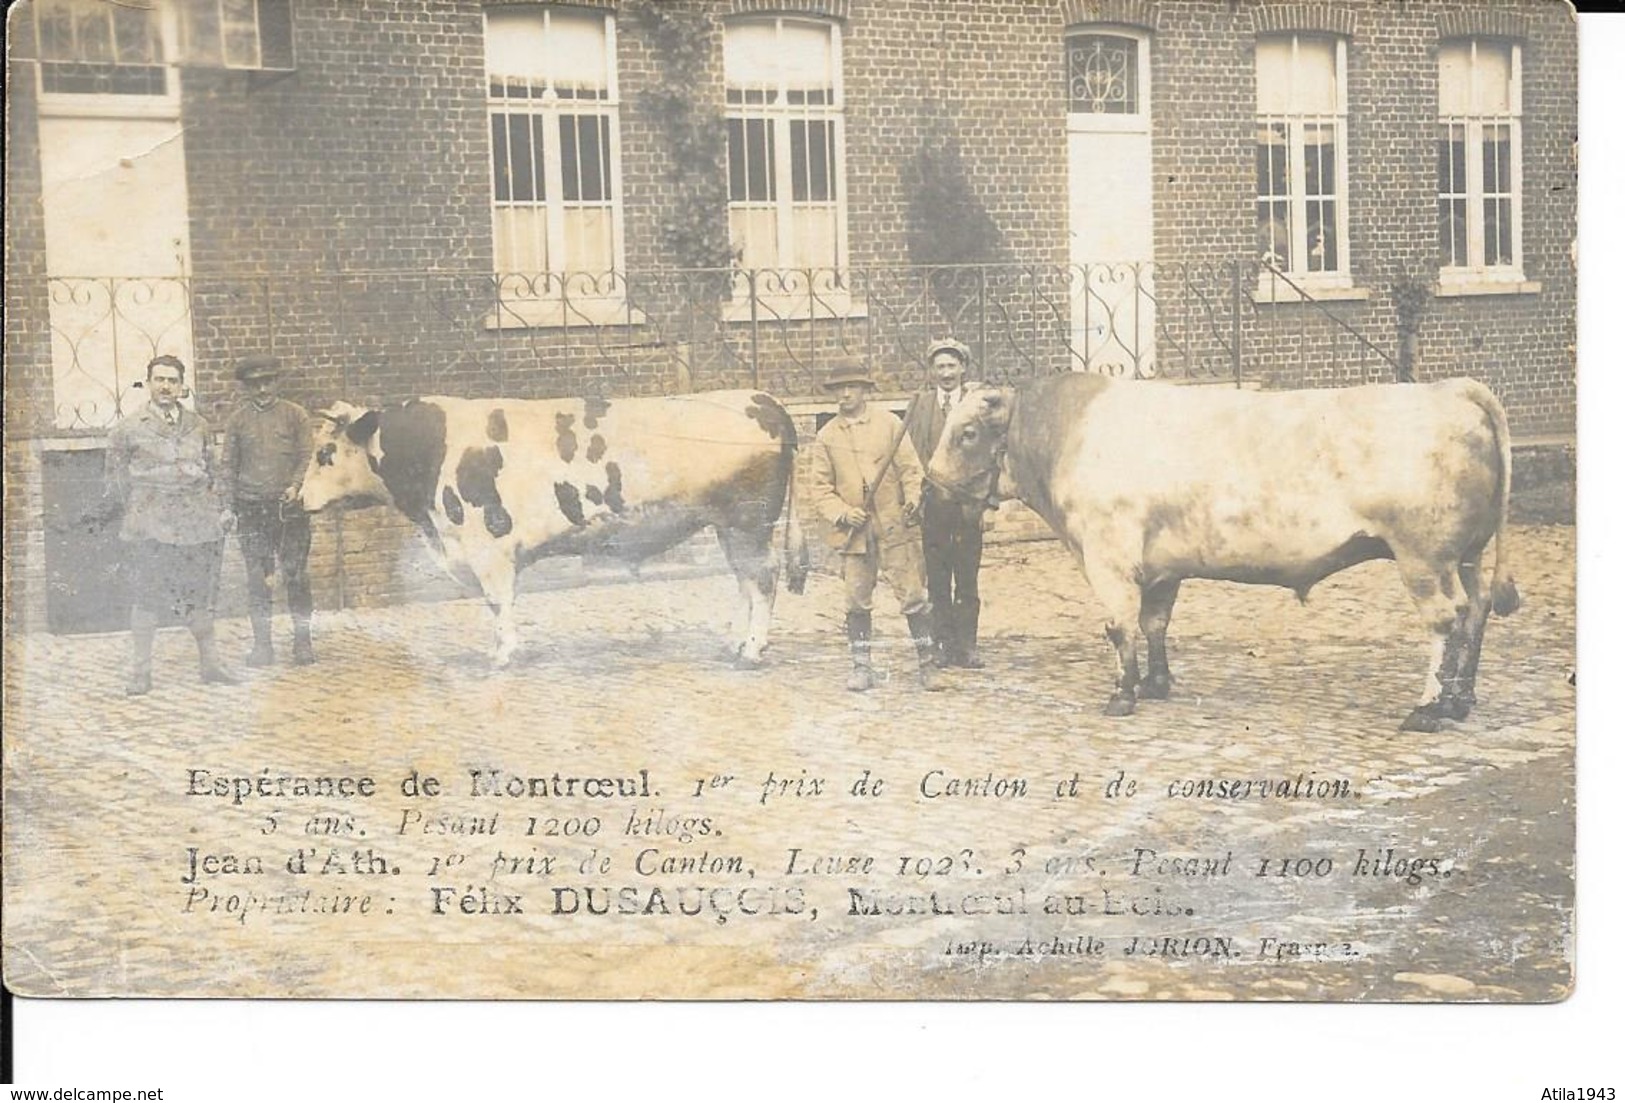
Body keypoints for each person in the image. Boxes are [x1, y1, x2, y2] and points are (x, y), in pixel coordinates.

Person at [105, 354, 239, 696]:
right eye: (159, 379)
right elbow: (116, 481)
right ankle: (141, 673)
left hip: (196, 525)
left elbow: (213, 472)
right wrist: (137, 514)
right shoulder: (128, 428)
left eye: (172, 380)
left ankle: (210, 665)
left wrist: (218, 509)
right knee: (147, 598)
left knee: (198, 597)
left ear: (182, 387)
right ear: (148, 383)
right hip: (150, 526)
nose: (166, 386)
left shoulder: (199, 425)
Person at [808, 360, 942, 693]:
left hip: (894, 526)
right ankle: (861, 667)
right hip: (855, 533)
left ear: (865, 390)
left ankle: (927, 666)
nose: (845, 394)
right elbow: (820, 489)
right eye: (839, 389)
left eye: (851, 387)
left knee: (913, 596)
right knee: (856, 600)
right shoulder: (827, 436)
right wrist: (842, 513)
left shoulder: (889, 425)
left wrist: (911, 499)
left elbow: (912, 470)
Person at [223, 355, 317, 666]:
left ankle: (302, 643)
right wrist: (228, 506)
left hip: (289, 510)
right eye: (255, 384)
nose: (263, 389)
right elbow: (228, 467)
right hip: (251, 511)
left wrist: (295, 486)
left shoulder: (296, 416)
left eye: (268, 382)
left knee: (296, 577)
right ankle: (262, 646)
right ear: (246, 387)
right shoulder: (237, 420)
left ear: (277, 382)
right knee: (257, 579)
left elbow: (307, 457)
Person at [905, 338, 988, 668]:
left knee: (967, 578)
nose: (946, 373)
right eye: (940, 367)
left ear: (963, 368)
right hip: (933, 507)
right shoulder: (921, 406)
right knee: (937, 580)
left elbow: (987, 455)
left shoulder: (976, 404)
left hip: (967, 506)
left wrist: (988, 505)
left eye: (952, 366)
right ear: (932, 372)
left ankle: (966, 645)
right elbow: (911, 456)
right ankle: (941, 643)